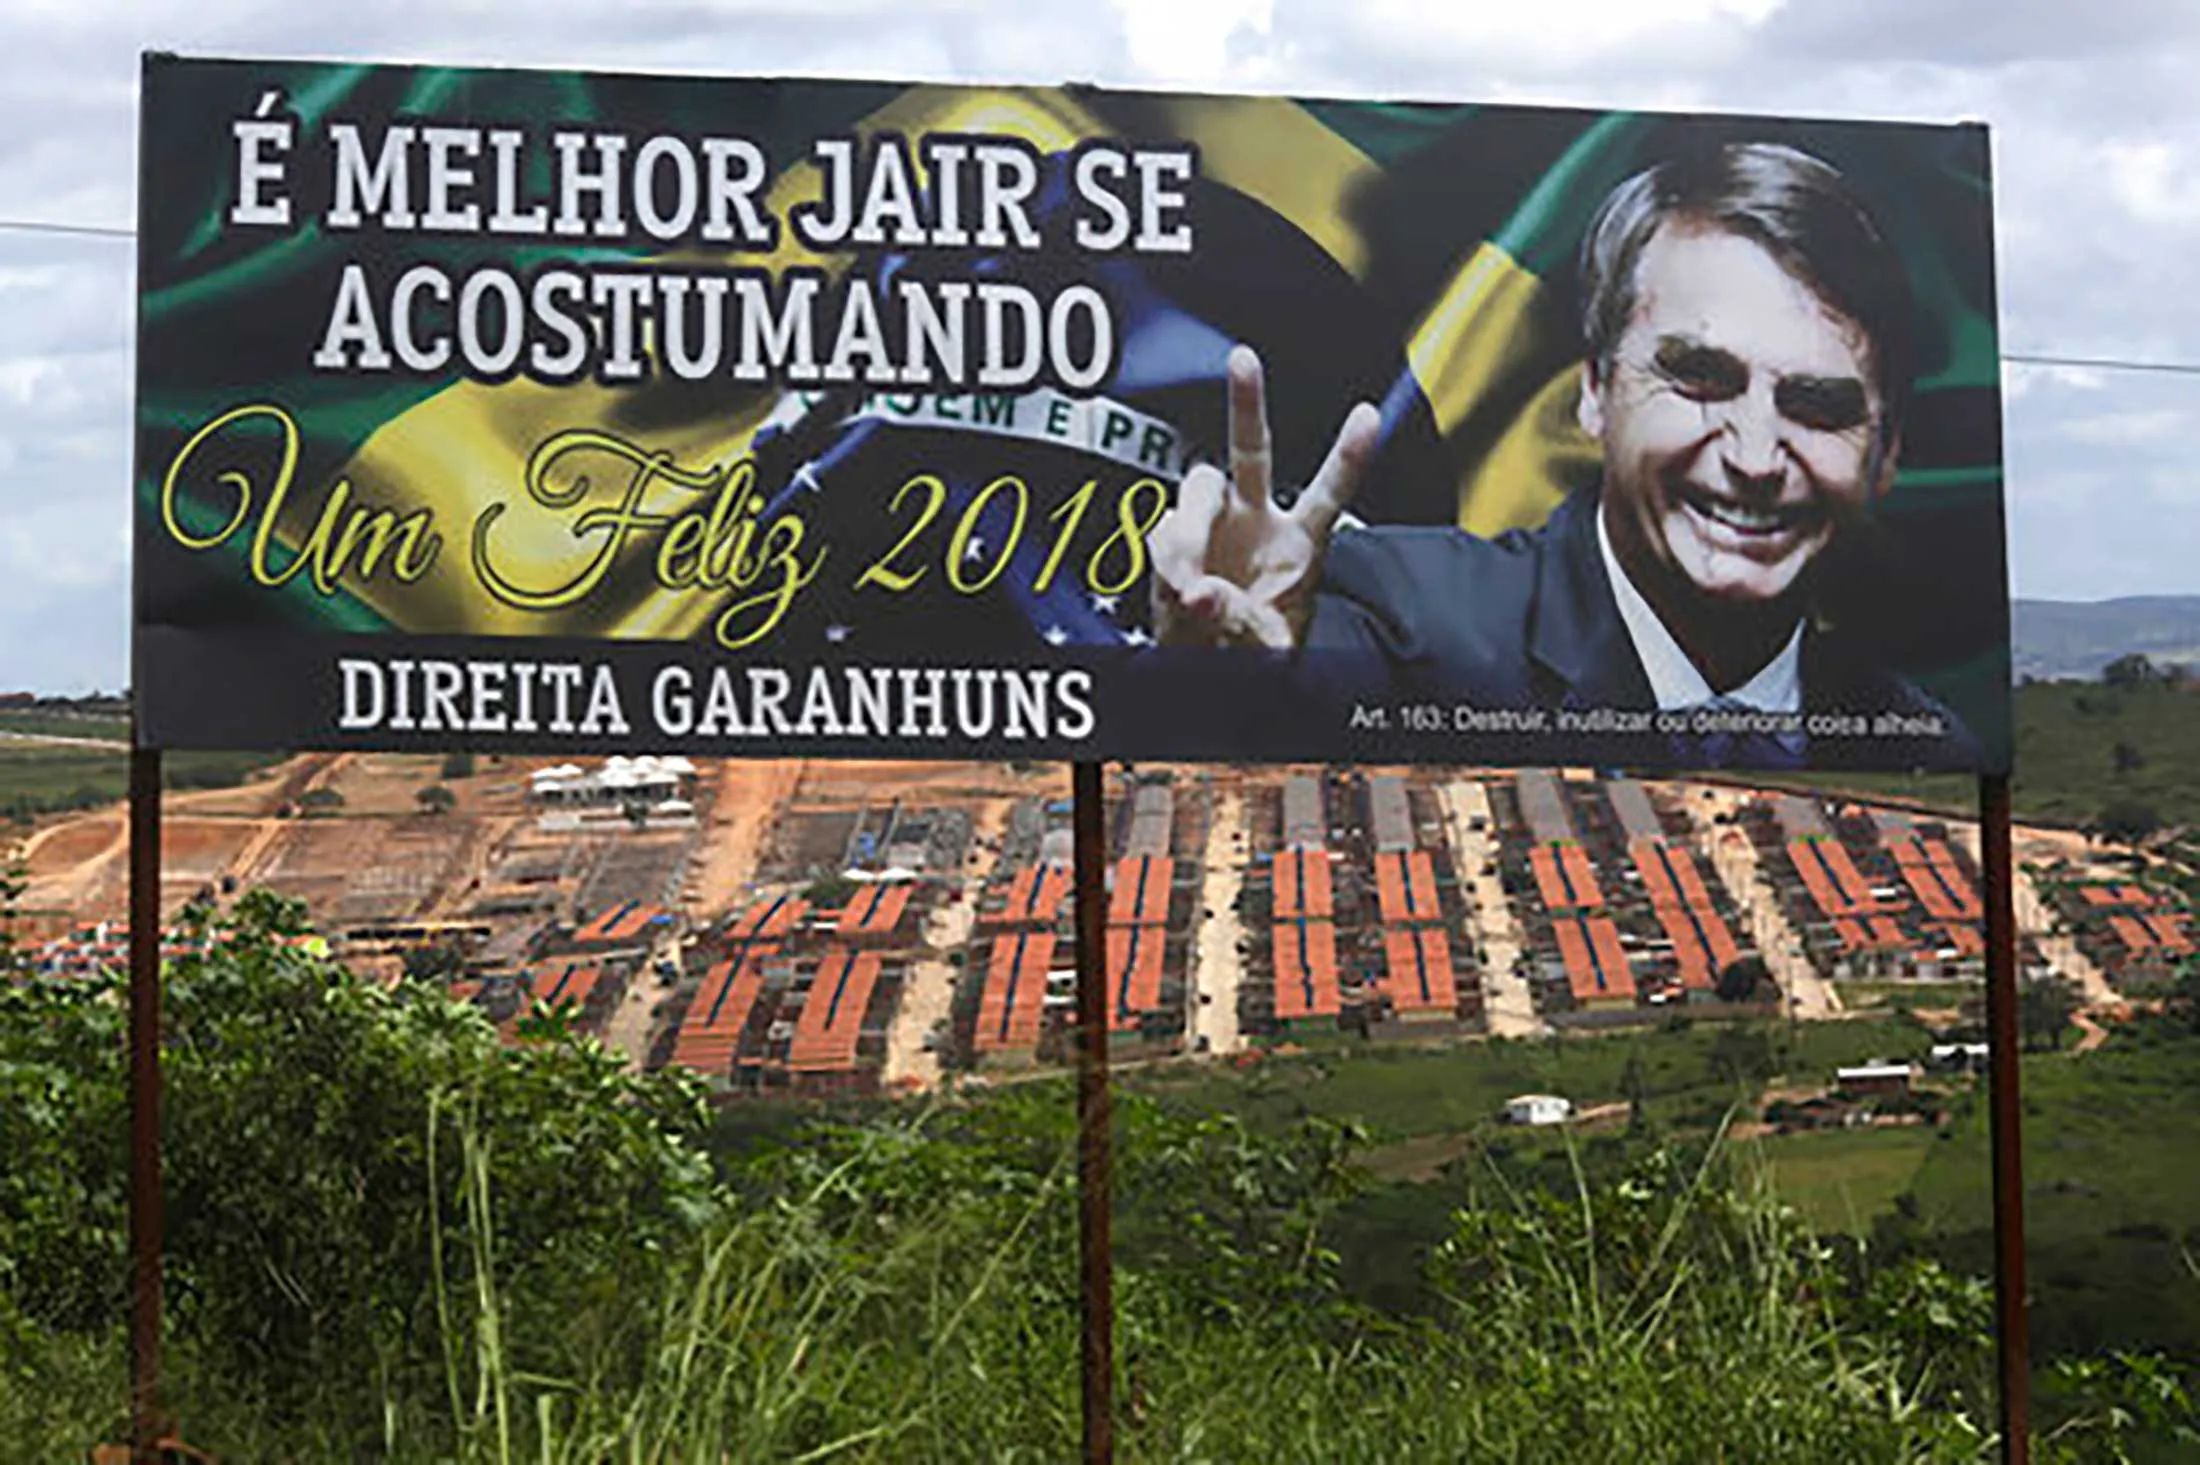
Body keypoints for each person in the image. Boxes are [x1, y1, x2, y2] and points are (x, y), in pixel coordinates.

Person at [1148, 140, 1979, 770]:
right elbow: (1276, 728)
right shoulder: (1397, 620)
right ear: (1593, 390)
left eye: (1818, 405)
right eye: (1699, 377)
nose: (1756, 456)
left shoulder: (1928, 744)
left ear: (1887, 451)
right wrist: (1218, 689)